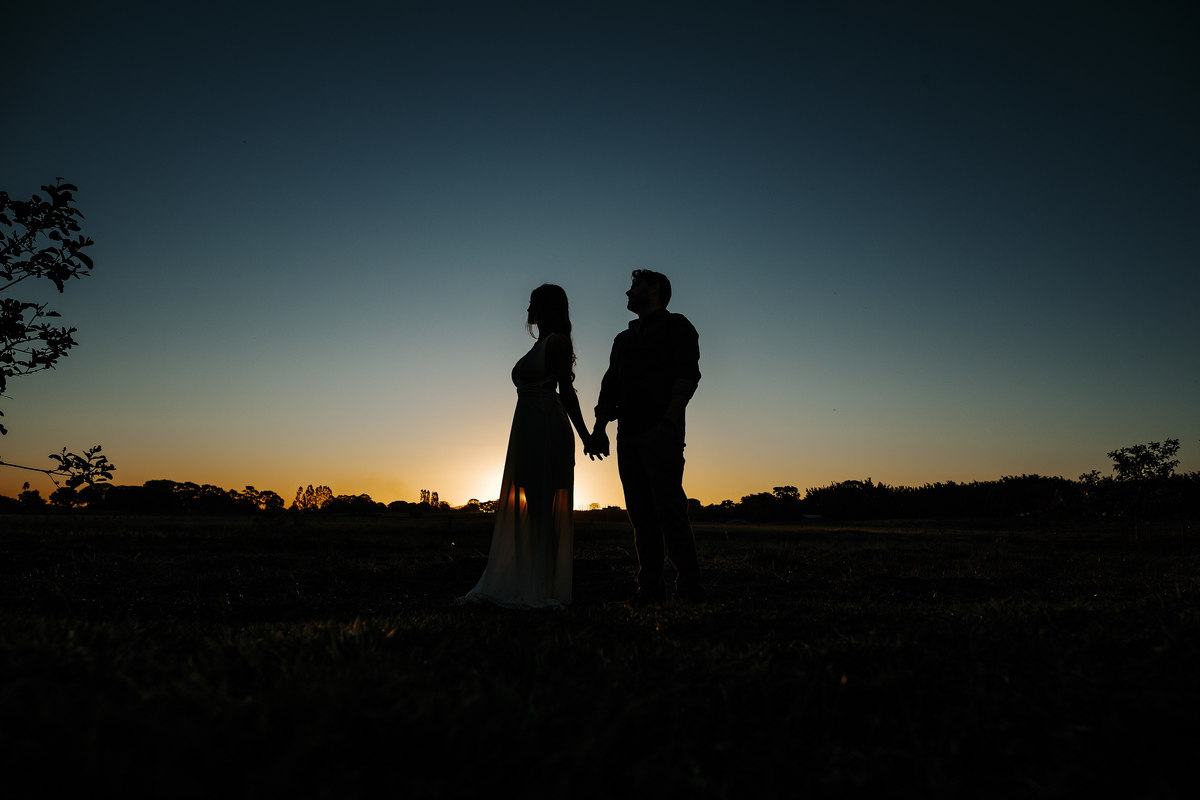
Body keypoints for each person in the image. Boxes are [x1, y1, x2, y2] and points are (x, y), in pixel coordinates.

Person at [460, 284, 593, 608]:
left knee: (542, 509)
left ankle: (542, 586)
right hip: (527, 426)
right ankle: (530, 580)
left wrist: (586, 437)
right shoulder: (541, 345)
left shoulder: (557, 342)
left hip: (546, 426)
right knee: (533, 507)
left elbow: (567, 392)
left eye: (533, 303)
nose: (528, 309)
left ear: (547, 308)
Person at [586, 269, 703, 605]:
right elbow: (610, 385)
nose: (627, 292)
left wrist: (668, 422)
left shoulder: (677, 326)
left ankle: (690, 588)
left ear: (654, 289)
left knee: (669, 509)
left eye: (634, 285)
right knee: (640, 513)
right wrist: (599, 429)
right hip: (628, 434)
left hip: (660, 431)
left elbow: (687, 376)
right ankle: (650, 588)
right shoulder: (623, 339)